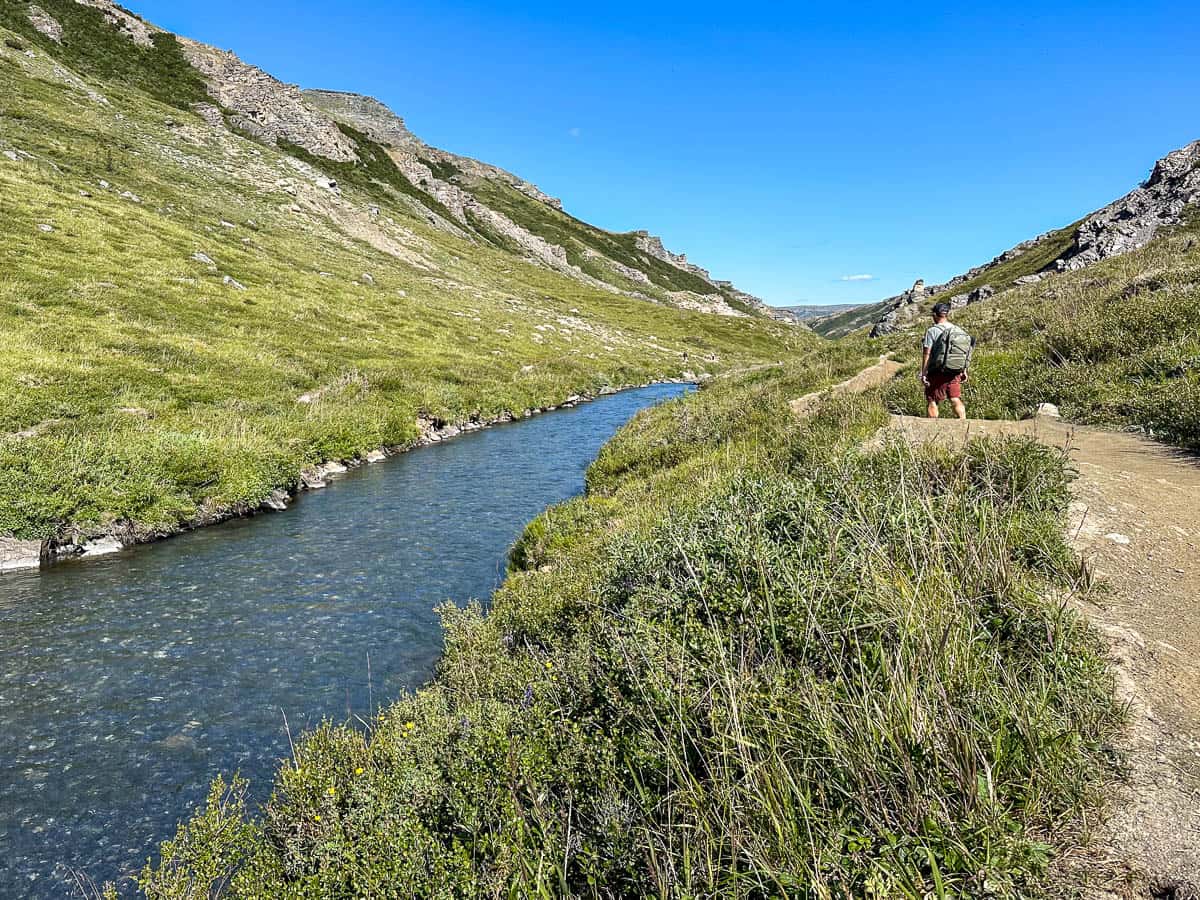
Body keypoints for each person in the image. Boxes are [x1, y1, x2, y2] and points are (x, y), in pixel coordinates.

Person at [919, 303, 973, 419]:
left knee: (932, 399)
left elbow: (927, 353)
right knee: (955, 398)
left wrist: (924, 373)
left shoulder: (932, 331)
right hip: (955, 370)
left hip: (936, 371)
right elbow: (963, 351)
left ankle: (931, 426)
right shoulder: (957, 329)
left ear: (935, 314)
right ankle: (963, 422)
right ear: (946, 314)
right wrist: (964, 370)